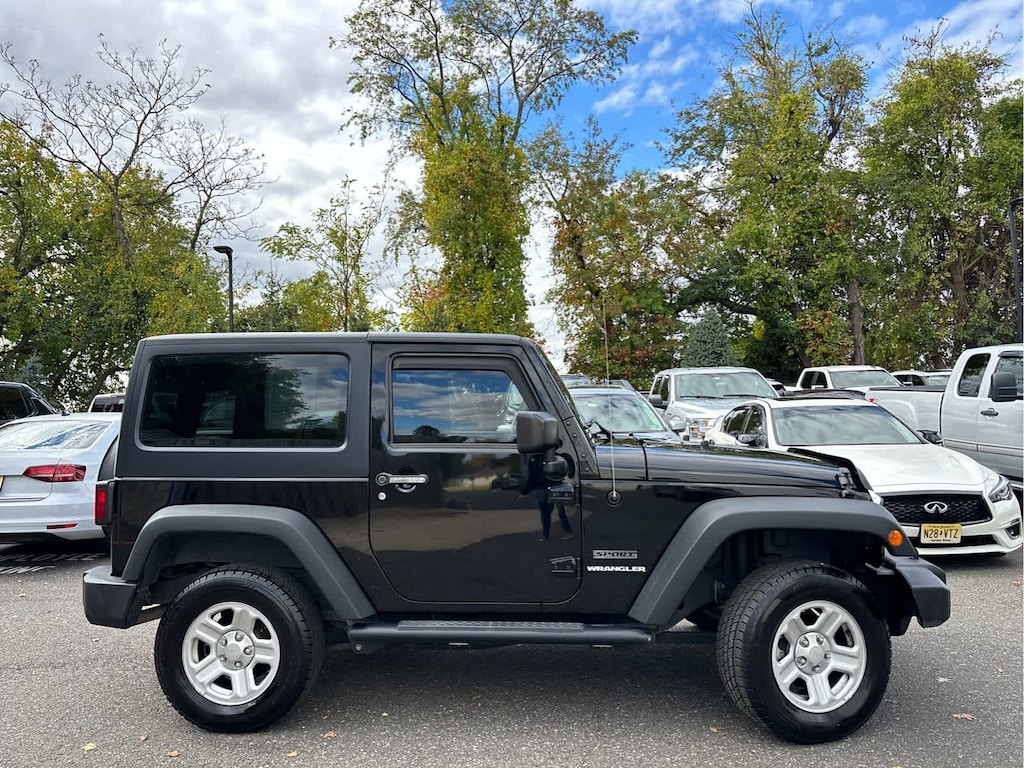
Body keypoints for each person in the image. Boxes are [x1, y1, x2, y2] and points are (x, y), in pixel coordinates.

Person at [517, 454, 573, 541]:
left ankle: (566, 532)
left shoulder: (555, 456)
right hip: (545, 488)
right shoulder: (534, 460)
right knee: (546, 514)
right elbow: (532, 478)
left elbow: (569, 469)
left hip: (557, 486)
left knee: (561, 512)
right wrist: (524, 492)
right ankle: (546, 535)